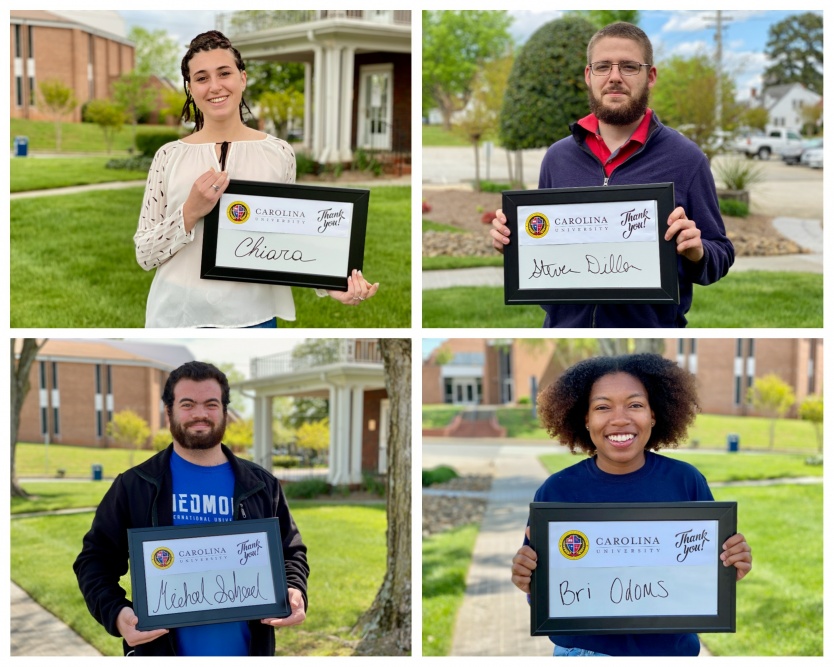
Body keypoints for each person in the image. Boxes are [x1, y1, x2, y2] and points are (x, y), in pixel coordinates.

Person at [491, 22, 734, 328]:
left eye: (630, 67)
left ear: (651, 76)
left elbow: (721, 253)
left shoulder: (686, 159)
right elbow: (542, 241)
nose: (614, 77)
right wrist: (513, 241)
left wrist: (698, 252)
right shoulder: (557, 157)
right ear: (588, 76)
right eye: (603, 66)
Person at [510, 353, 752, 656]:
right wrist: (529, 582)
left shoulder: (685, 481)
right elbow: (542, 591)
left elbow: (707, 574)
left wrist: (729, 569)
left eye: (635, 405)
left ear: (654, 414)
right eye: (602, 407)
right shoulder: (556, 490)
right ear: (585, 418)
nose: (620, 419)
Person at [134, 31, 378, 327]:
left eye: (224, 73)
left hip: (253, 317)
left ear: (243, 78)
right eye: (201, 78)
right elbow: (145, 254)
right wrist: (190, 211)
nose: (214, 86)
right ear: (190, 88)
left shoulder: (278, 153)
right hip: (178, 314)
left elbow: (288, 236)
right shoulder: (168, 156)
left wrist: (331, 282)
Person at [73, 361, 309, 656]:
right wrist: (117, 614)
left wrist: (294, 590)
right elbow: (95, 560)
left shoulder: (261, 485)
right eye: (188, 404)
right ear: (169, 411)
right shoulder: (135, 485)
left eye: (211, 404)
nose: (200, 414)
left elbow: (290, 552)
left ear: (224, 411)